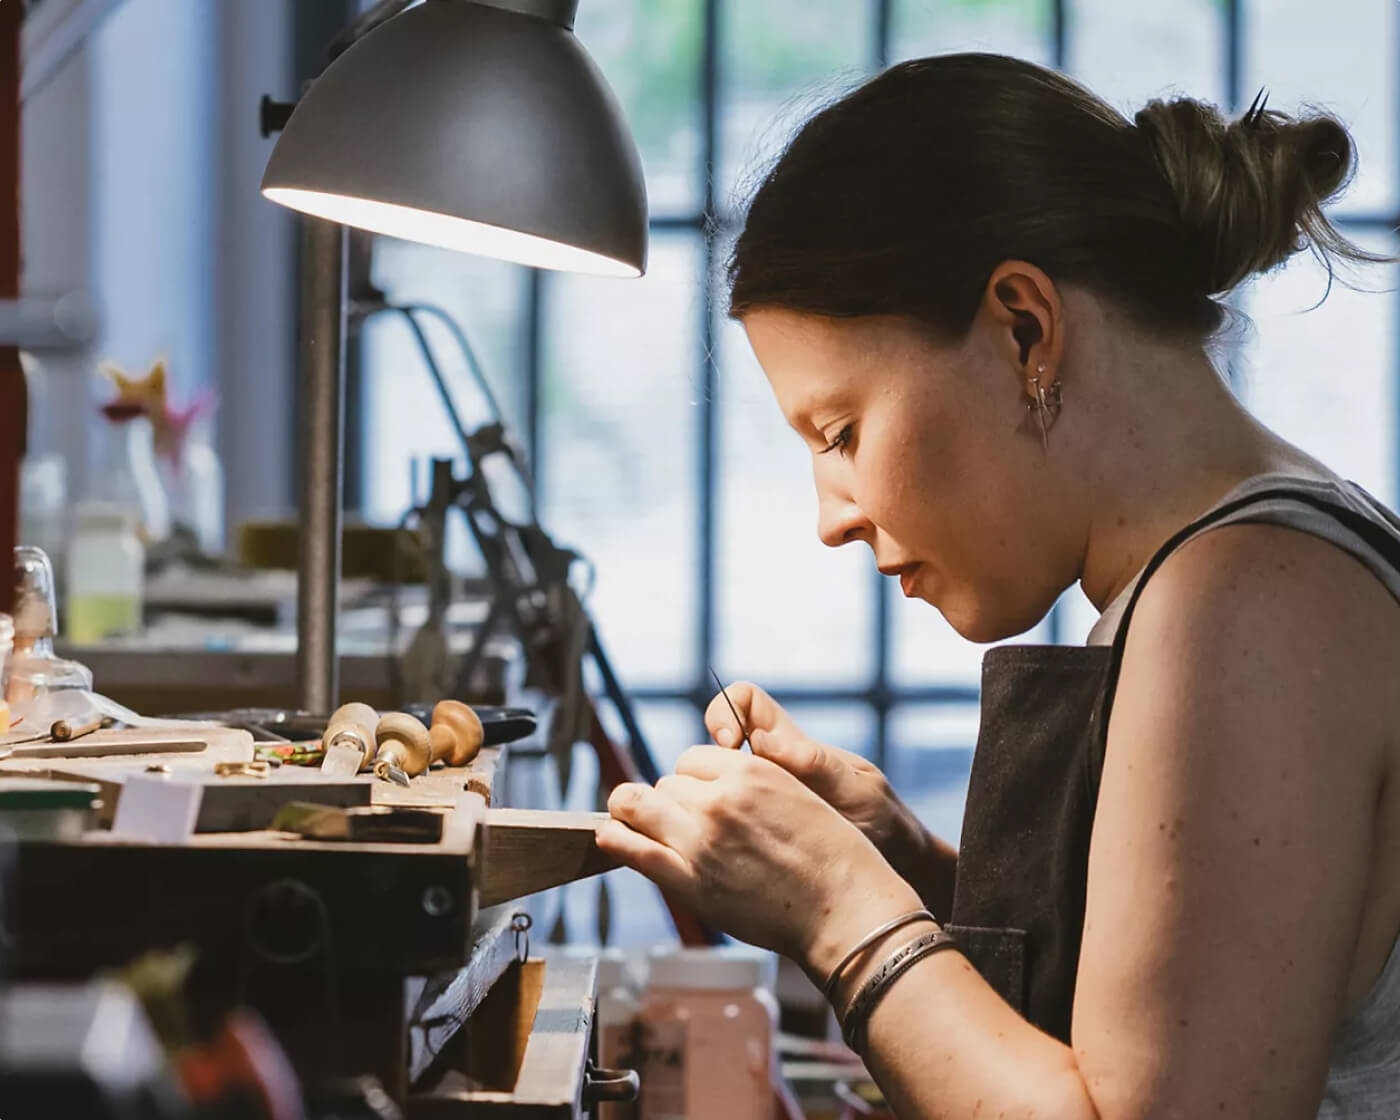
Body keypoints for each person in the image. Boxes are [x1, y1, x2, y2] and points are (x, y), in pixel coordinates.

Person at [593, 53, 1400, 1118]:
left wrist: (840, 907)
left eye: (840, 431)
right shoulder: (1222, 572)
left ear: (1023, 327)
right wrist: (910, 864)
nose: (830, 516)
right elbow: (1152, 1000)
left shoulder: (1247, 599)